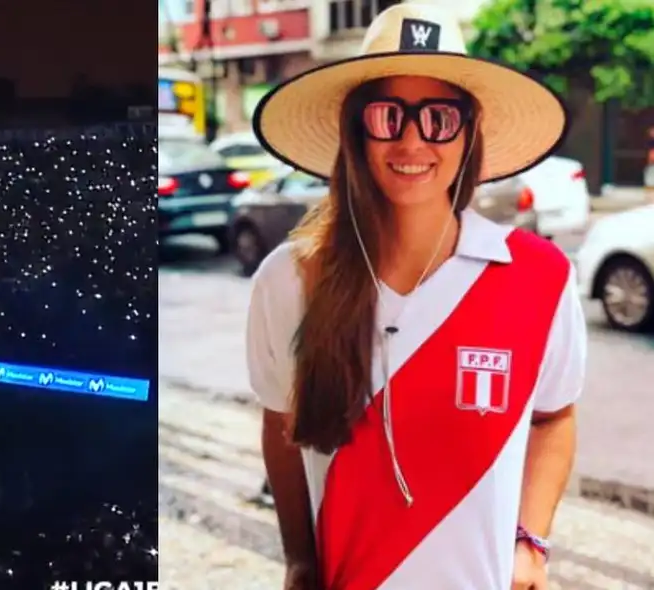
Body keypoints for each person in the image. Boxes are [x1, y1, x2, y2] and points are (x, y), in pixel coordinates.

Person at [245, 4, 584, 590]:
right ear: (355, 129)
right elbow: (281, 427)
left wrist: (531, 542)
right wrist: (299, 559)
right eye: (386, 115)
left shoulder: (540, 277)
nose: (410, 140)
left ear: (469, 131)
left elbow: (555, 418)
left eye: (439, 118)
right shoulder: (289, 280)